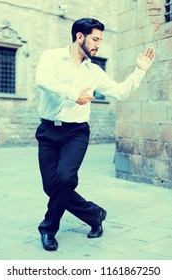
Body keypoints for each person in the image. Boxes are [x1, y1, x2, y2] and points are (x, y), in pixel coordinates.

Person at [35, 17, 155, 251]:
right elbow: (42, 80)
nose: (99, 44)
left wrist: (139, 72)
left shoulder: (94, 71)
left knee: (65, 179)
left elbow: (120, 92)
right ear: (80, 37)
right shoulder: (51, 57)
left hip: (75, 132)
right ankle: (94, 214)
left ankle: (48, 229)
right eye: (95, 38)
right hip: (47, 130)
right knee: (52, 187)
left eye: (101, 39)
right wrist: (73, 94)